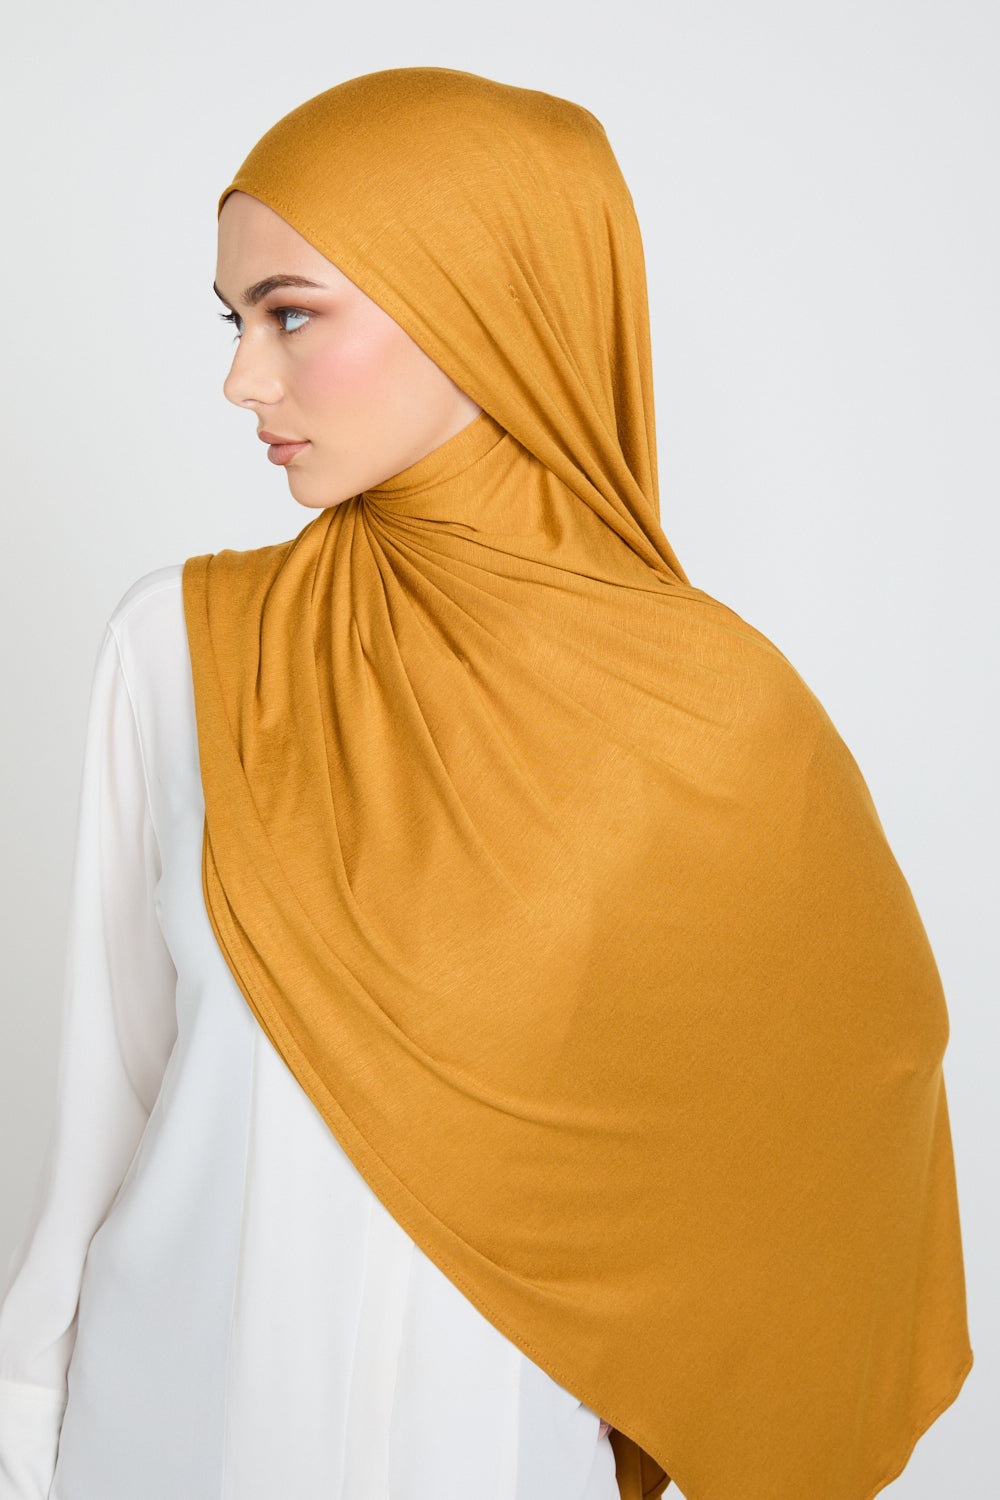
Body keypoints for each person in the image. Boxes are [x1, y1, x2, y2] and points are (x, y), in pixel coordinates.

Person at [0, 67, 971, 1500]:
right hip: (169, 1440)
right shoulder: (178, 652)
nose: (242, 380)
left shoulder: (712, 715)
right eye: (233, 321)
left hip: (492, 1458)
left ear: (479, 302)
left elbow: (847, 1082)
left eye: (290, 313)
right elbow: (109, 1105)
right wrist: (26, 1419)